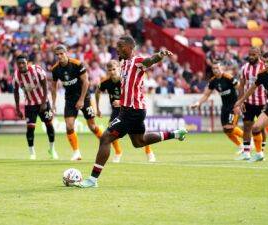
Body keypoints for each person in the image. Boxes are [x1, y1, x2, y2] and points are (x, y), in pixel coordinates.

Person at [74, 35, 188, 188]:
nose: (117, 49)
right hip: (132, 110)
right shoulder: (125, 64)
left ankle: (92, 180)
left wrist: (159, 55)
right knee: (139, 142)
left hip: (131, 110)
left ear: (129, 47)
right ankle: (176, 133)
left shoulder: (136, 61)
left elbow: (149, 60)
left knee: (106, 138)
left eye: (120, 46)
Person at [95, 60, 156, 163]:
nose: (112, 72)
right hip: (116, 111)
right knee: (110, 131)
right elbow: (97, 91)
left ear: (119, 68)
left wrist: (121, 101)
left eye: (114, 69)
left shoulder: (125, 81)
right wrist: (97, 108)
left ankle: (149, 152)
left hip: (130, 109)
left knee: (139, 134)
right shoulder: (105, 82)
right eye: (110, 70)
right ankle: (118, 153)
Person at [51, 45, 103, 161]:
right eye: (57, 54)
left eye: (61, 53)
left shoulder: (77, 64)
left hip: (84, 97)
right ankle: (76, 153)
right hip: (69, 99)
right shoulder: (55, 69)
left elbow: (86, 83)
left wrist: (81, 100)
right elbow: (53, 88)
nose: (59, 56)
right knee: (69, 126)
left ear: (66, 53)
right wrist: (53, 104)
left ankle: (105, 142)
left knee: (92, 126)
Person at [191, 62, 244, 153]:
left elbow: (240, 88)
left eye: (217, 68)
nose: (215, 70)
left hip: (233, 106)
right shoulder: (213, 81)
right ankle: (241, 146)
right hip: (225, 107)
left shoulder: (228, 77)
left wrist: (239, 103)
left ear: (221, 68)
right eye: (213, 68)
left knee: (230, 127)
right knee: (226, 130)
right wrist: (198, 103)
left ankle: (248, 139)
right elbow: (206, 95)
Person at [13, 54, 58, 160]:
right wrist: (17, 108)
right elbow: (16, 92)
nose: (21, 65)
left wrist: (43, 102)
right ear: (16, 64)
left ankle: (52, 149)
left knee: (49, 125)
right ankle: (32, 152)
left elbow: (45, 85)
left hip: (43, 102)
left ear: (27, 62)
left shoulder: (37, 70)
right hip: (29, 105)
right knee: (30, 129)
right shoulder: (16, 75)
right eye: (19, 63)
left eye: (23, 63)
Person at [238, 47, 267, 161]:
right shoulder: (244, 68)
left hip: (263, 102)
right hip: (248, 102)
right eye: (250, 54)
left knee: (261, 128)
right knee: (247, 126)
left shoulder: (264, 67)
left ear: (259, 54)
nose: (251, 57)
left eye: (253, 54)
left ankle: (261, 151)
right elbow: (241, 85)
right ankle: (246, 152)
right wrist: (241, 101)